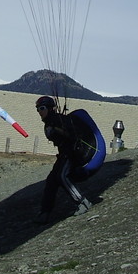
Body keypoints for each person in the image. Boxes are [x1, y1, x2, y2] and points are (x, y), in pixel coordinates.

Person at [34, 95, 92, 224]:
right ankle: (45, 212)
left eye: (42, 108)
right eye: (37, 109)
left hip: (72, 153)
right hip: (63, 154)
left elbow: (72, 136)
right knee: (51, 181)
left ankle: (83, 202)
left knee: (62, 176)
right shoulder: (49, 123)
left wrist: (57, 130)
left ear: (49, 108)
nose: (39, 112)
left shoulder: (60, 120)